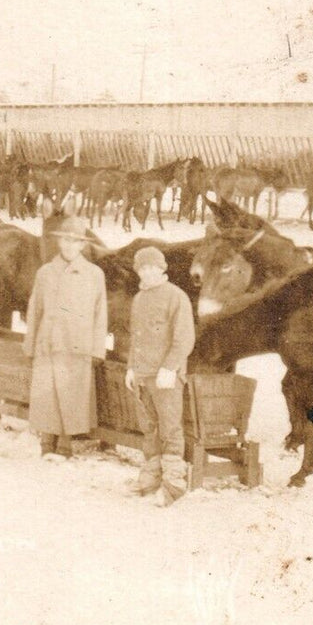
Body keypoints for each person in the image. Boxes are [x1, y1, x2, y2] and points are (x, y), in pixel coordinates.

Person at [23, 215, 107, 457]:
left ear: (83, 245)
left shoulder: (94, 275)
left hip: (77, 345)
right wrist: (30, 344)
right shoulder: (45, 272)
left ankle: (66, 443)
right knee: (47, 393)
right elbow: (35, 310)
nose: (69, 246)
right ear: (58, 243)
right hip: (48, 342)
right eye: (65, 241)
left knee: (72, 394)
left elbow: (100, 315)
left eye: (75, 241)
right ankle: (47, 442)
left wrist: (97, 349)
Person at [124, 245, 196, 506]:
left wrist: (170, 368)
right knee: (149, 428)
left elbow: (184, 338)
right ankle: (151, 477)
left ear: (162, 268)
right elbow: (136, 338)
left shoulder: (176, 297)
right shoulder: (139, 299)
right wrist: (131, 368)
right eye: (142, 268)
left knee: (170, 428)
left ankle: (174, 484)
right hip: (143, 375)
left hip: (165, 377)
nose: (148, 272)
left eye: (153, 267)